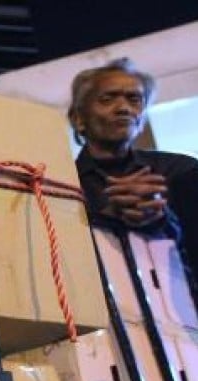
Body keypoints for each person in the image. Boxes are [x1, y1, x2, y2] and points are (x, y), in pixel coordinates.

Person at [68, 58, 198, 282]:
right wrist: (106, 222)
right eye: (107, 99)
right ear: (79, 118)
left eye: (134, 99)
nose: (123, 108)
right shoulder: (62, 184)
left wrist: (163, 220)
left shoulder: (182, 171)